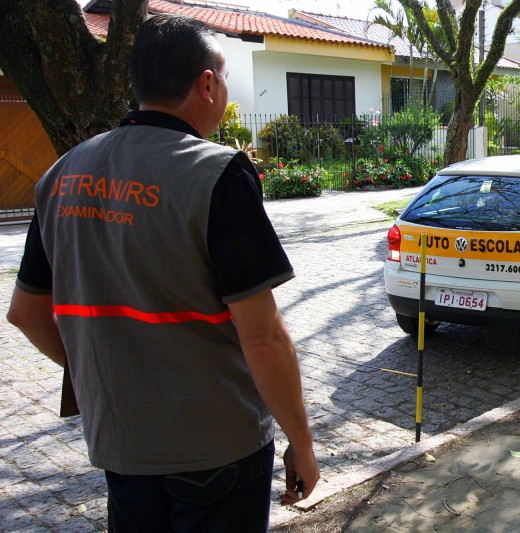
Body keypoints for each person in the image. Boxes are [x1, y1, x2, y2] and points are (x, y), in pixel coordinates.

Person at [6, 14, 319, 531]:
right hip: (217, 447)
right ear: (207, 84)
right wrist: (301, 443)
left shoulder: (62, 174)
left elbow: (25, 313)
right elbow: (263, 339)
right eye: (224, 79)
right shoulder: (217, 174)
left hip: (120, 443)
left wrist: (95, 372)